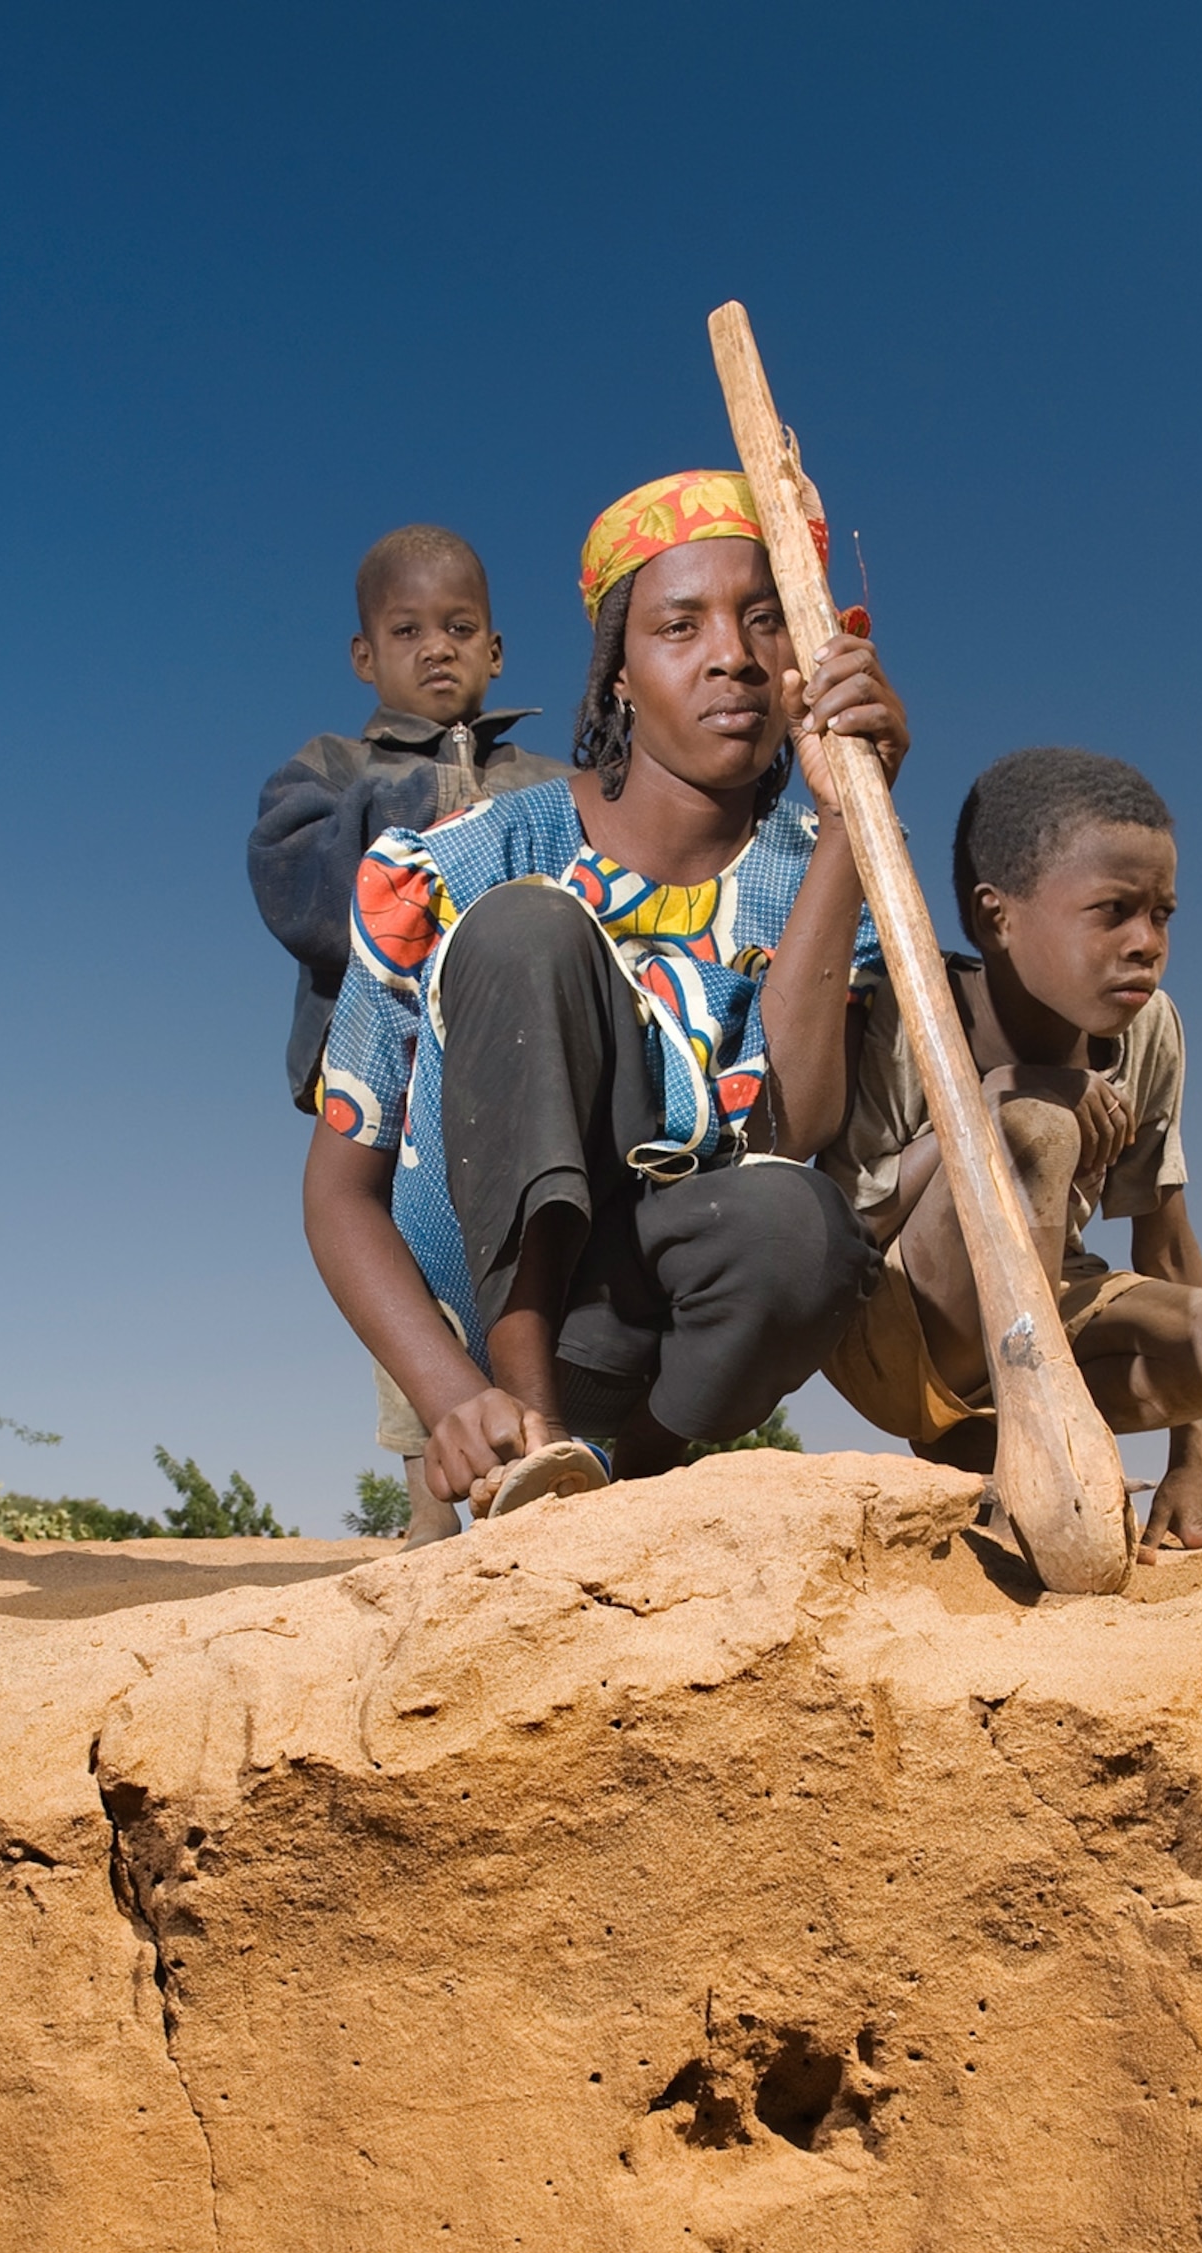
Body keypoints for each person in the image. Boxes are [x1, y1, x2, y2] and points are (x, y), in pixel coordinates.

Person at [301, 470, 905, 1522]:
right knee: (529, 929)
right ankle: (529, 1460)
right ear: (617, 675)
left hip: (649, 1326)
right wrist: (450, 1398)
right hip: (491, 1335)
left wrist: (855, 818)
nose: (732, 654)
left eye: (763, 621)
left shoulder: (820, 870)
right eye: (679, 625)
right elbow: (340, 1190)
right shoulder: (464, 860)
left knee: (801, 1227)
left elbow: (794, 1128)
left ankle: (636, 1466)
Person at [819, 746, 1202, 1555]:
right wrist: (994, 1095)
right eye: (1111, 911)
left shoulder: (1150, 1031)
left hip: (1049, 1307)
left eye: (1162, 914)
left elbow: (1163, 1240)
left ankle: (985, 1446)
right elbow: (851, 1226)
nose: (1145, 942)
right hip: (896, 1327)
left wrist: (1189, 1464)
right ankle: (1024, 1457)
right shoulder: (911, 1009)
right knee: (1035, 1126)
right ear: (996, 916)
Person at [250, 523, 565, 1543]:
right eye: (408, 629)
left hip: (517, 1080)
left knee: (529, 1267)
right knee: (408, 1280)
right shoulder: (329, 773)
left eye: (459, 627)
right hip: (388, 1068)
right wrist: (440, 807)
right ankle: (433, 1522)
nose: (437, 647)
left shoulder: (551, 782)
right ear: (365, 656)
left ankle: (557, 1478)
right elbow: (297, 891)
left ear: (496, 650)